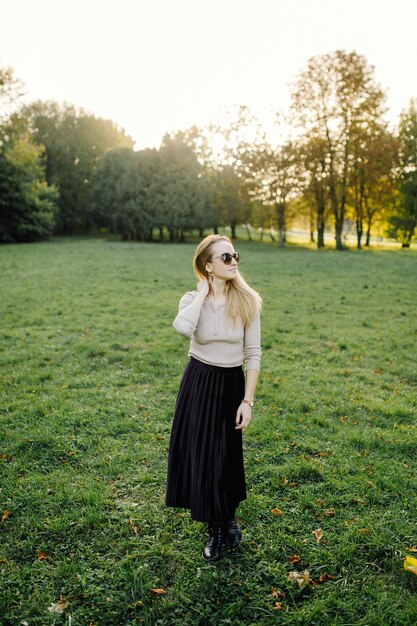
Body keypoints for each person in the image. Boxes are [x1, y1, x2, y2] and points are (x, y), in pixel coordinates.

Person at [166, 234, 262, 561]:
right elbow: (181, 328)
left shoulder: (248, 301)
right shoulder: (191, 299)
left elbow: (253, 353)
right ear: (208, 265)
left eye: (235, 255)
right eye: (225, 257)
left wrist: (247, 401)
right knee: (203, 456)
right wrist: (203, 294)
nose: (233, 261)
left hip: (231, 385)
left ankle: (228, 516)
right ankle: (217, 528)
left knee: (226, 456)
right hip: (199, 382)